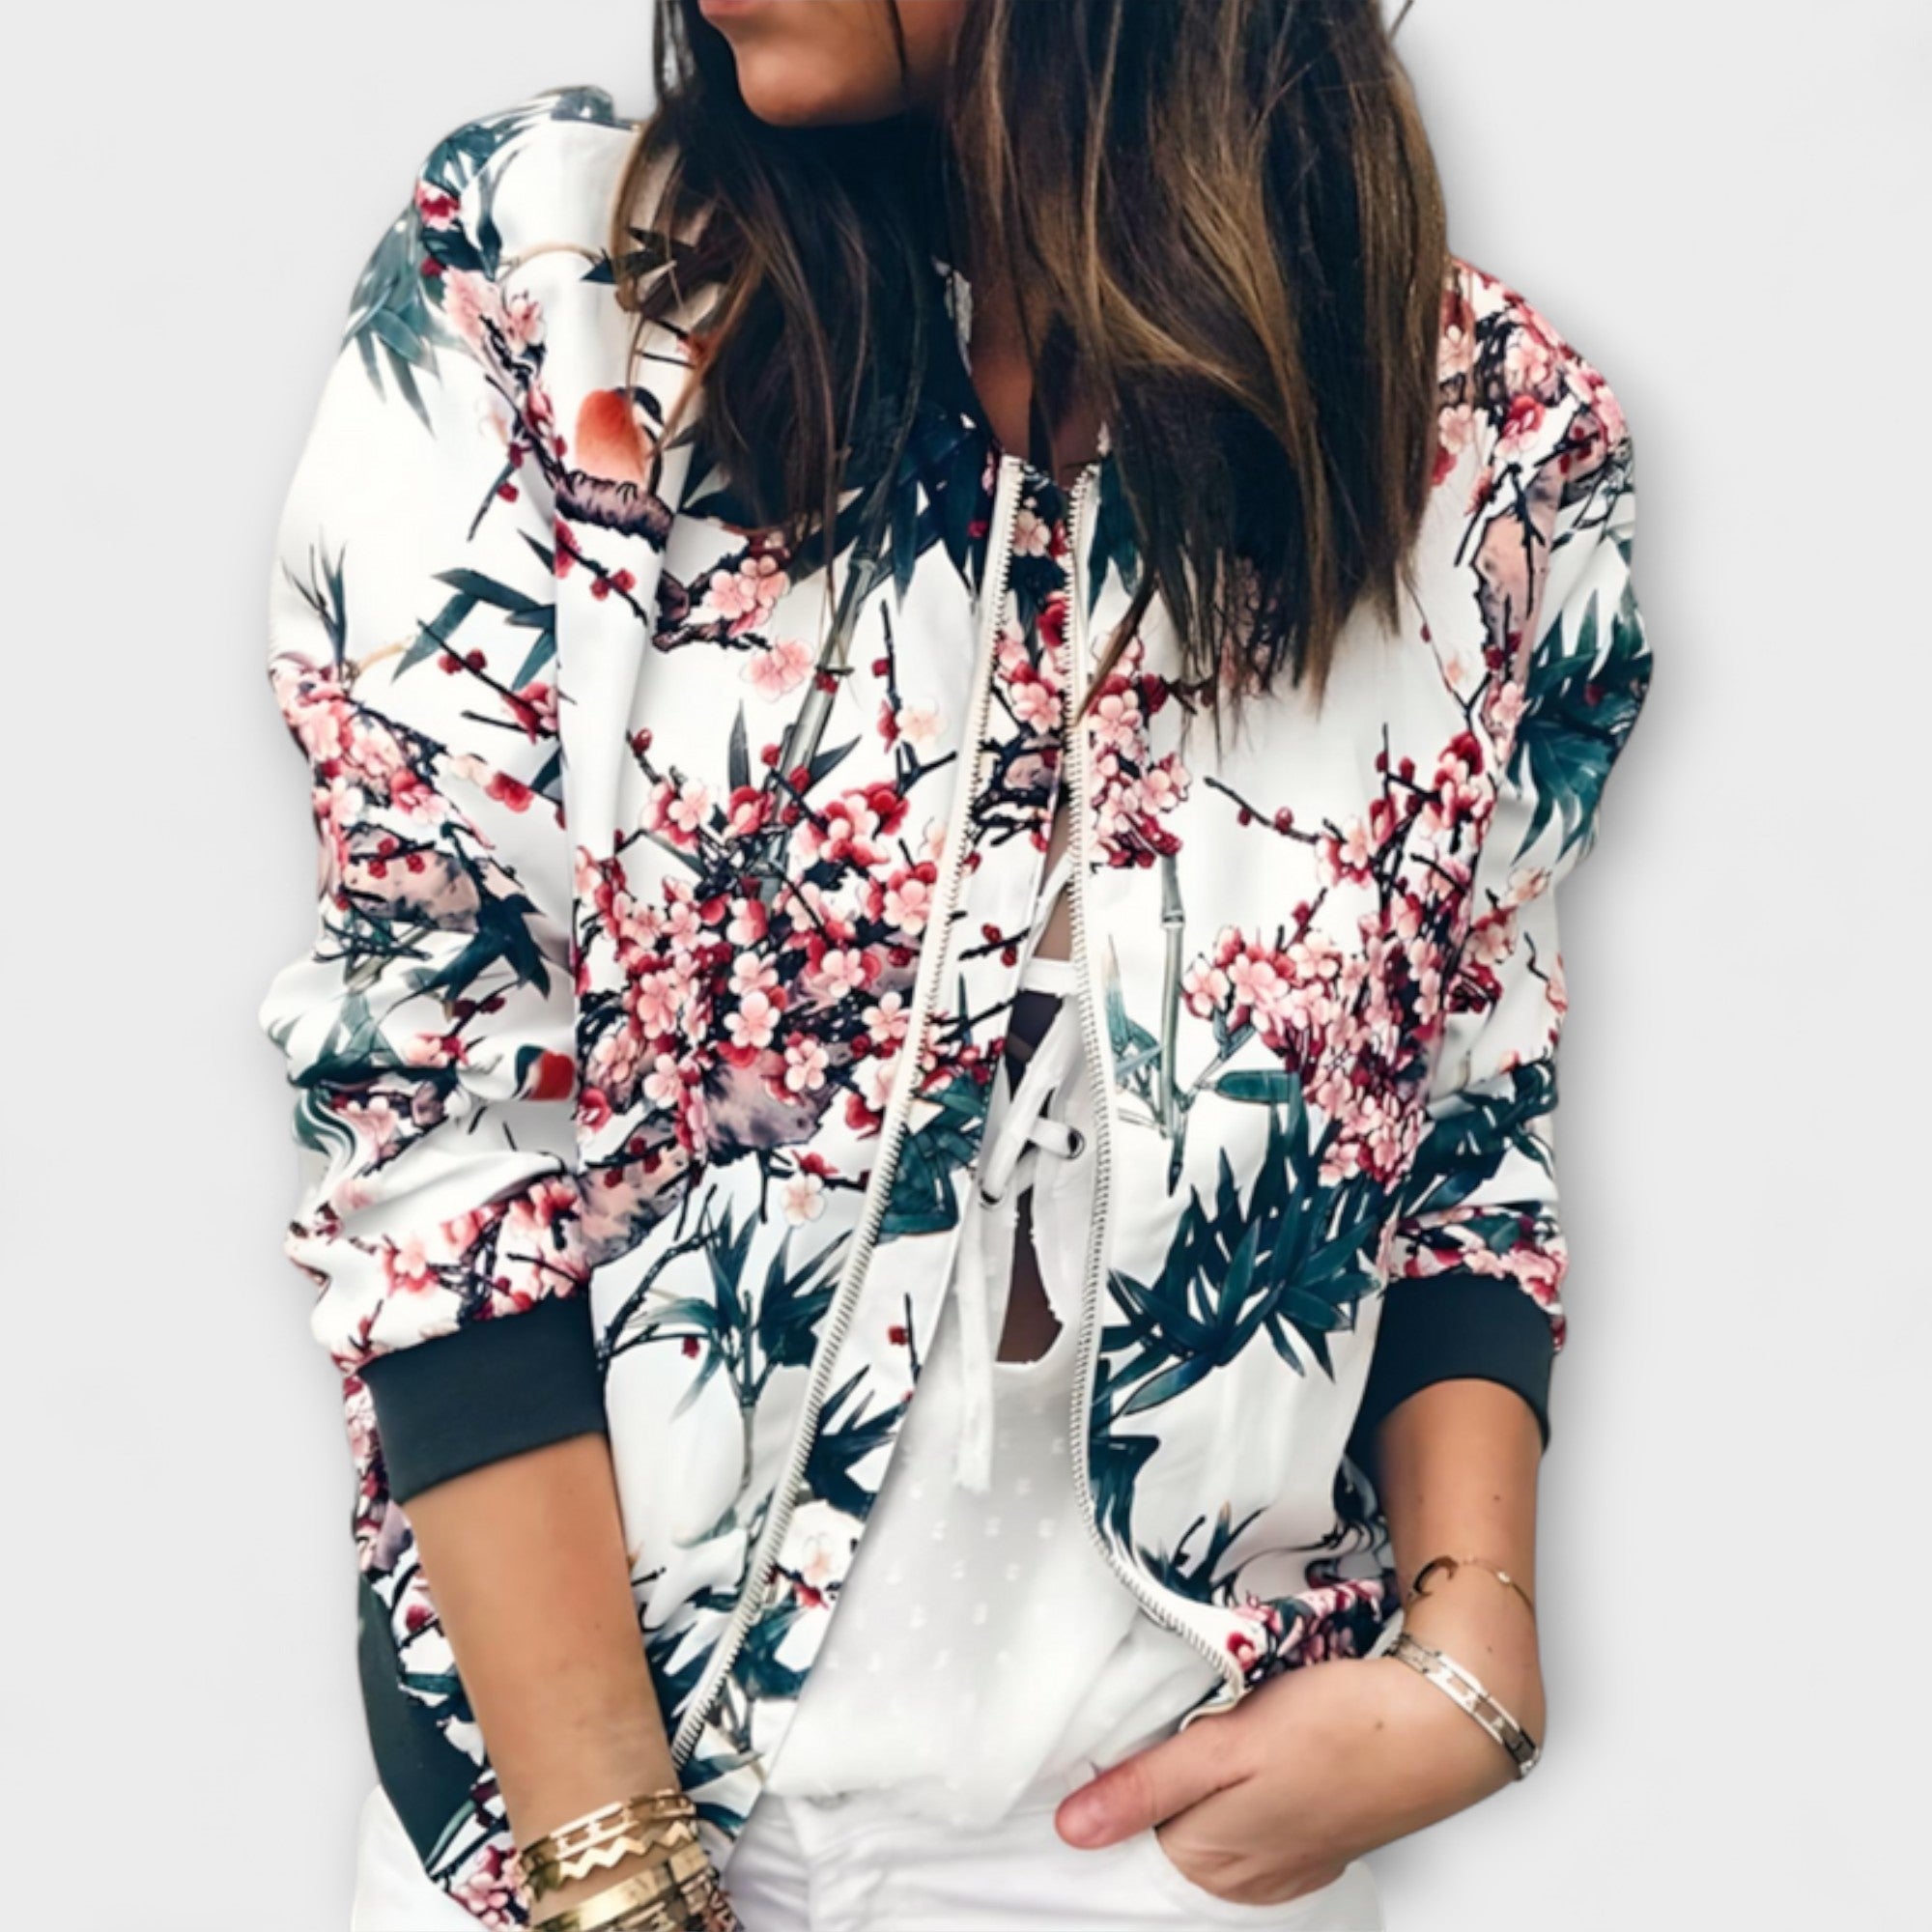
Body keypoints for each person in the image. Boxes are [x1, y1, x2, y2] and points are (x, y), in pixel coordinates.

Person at [256, 4, 1652, 1926]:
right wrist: (612, 1877)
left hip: (1157, 1845)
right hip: (580, 1842)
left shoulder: (1484, 444)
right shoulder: (561, 295)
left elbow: (1468, 1098)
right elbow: (433, 1103)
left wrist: (1472, 1652)